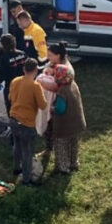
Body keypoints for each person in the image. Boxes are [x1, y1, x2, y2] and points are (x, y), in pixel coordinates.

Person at [39, 43, 86, 174]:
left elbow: (59, 109)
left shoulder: (61, 91)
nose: (48, 58)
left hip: (65, 124)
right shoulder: (72, 84)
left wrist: (52, 109)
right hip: (76, 122)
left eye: (50, 55)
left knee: (61, 145)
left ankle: (63, 168)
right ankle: (74, 163)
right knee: (73, 144)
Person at [8, 58, 48, 185]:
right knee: (27, 151)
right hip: (27, 123)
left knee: (17, 146)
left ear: (23, 69)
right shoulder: (35, 86)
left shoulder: (15, 81)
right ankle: (26, 179)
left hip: (13, 119)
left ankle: (16, 168)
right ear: (36, 70)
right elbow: (42, 105)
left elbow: (10, 98)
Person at [0, 33, 27, 115]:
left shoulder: (4, 56)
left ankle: (12, 124)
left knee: (11, 108)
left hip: (11, 86)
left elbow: (2, 72)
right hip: (23, 84)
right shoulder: (22, 54)